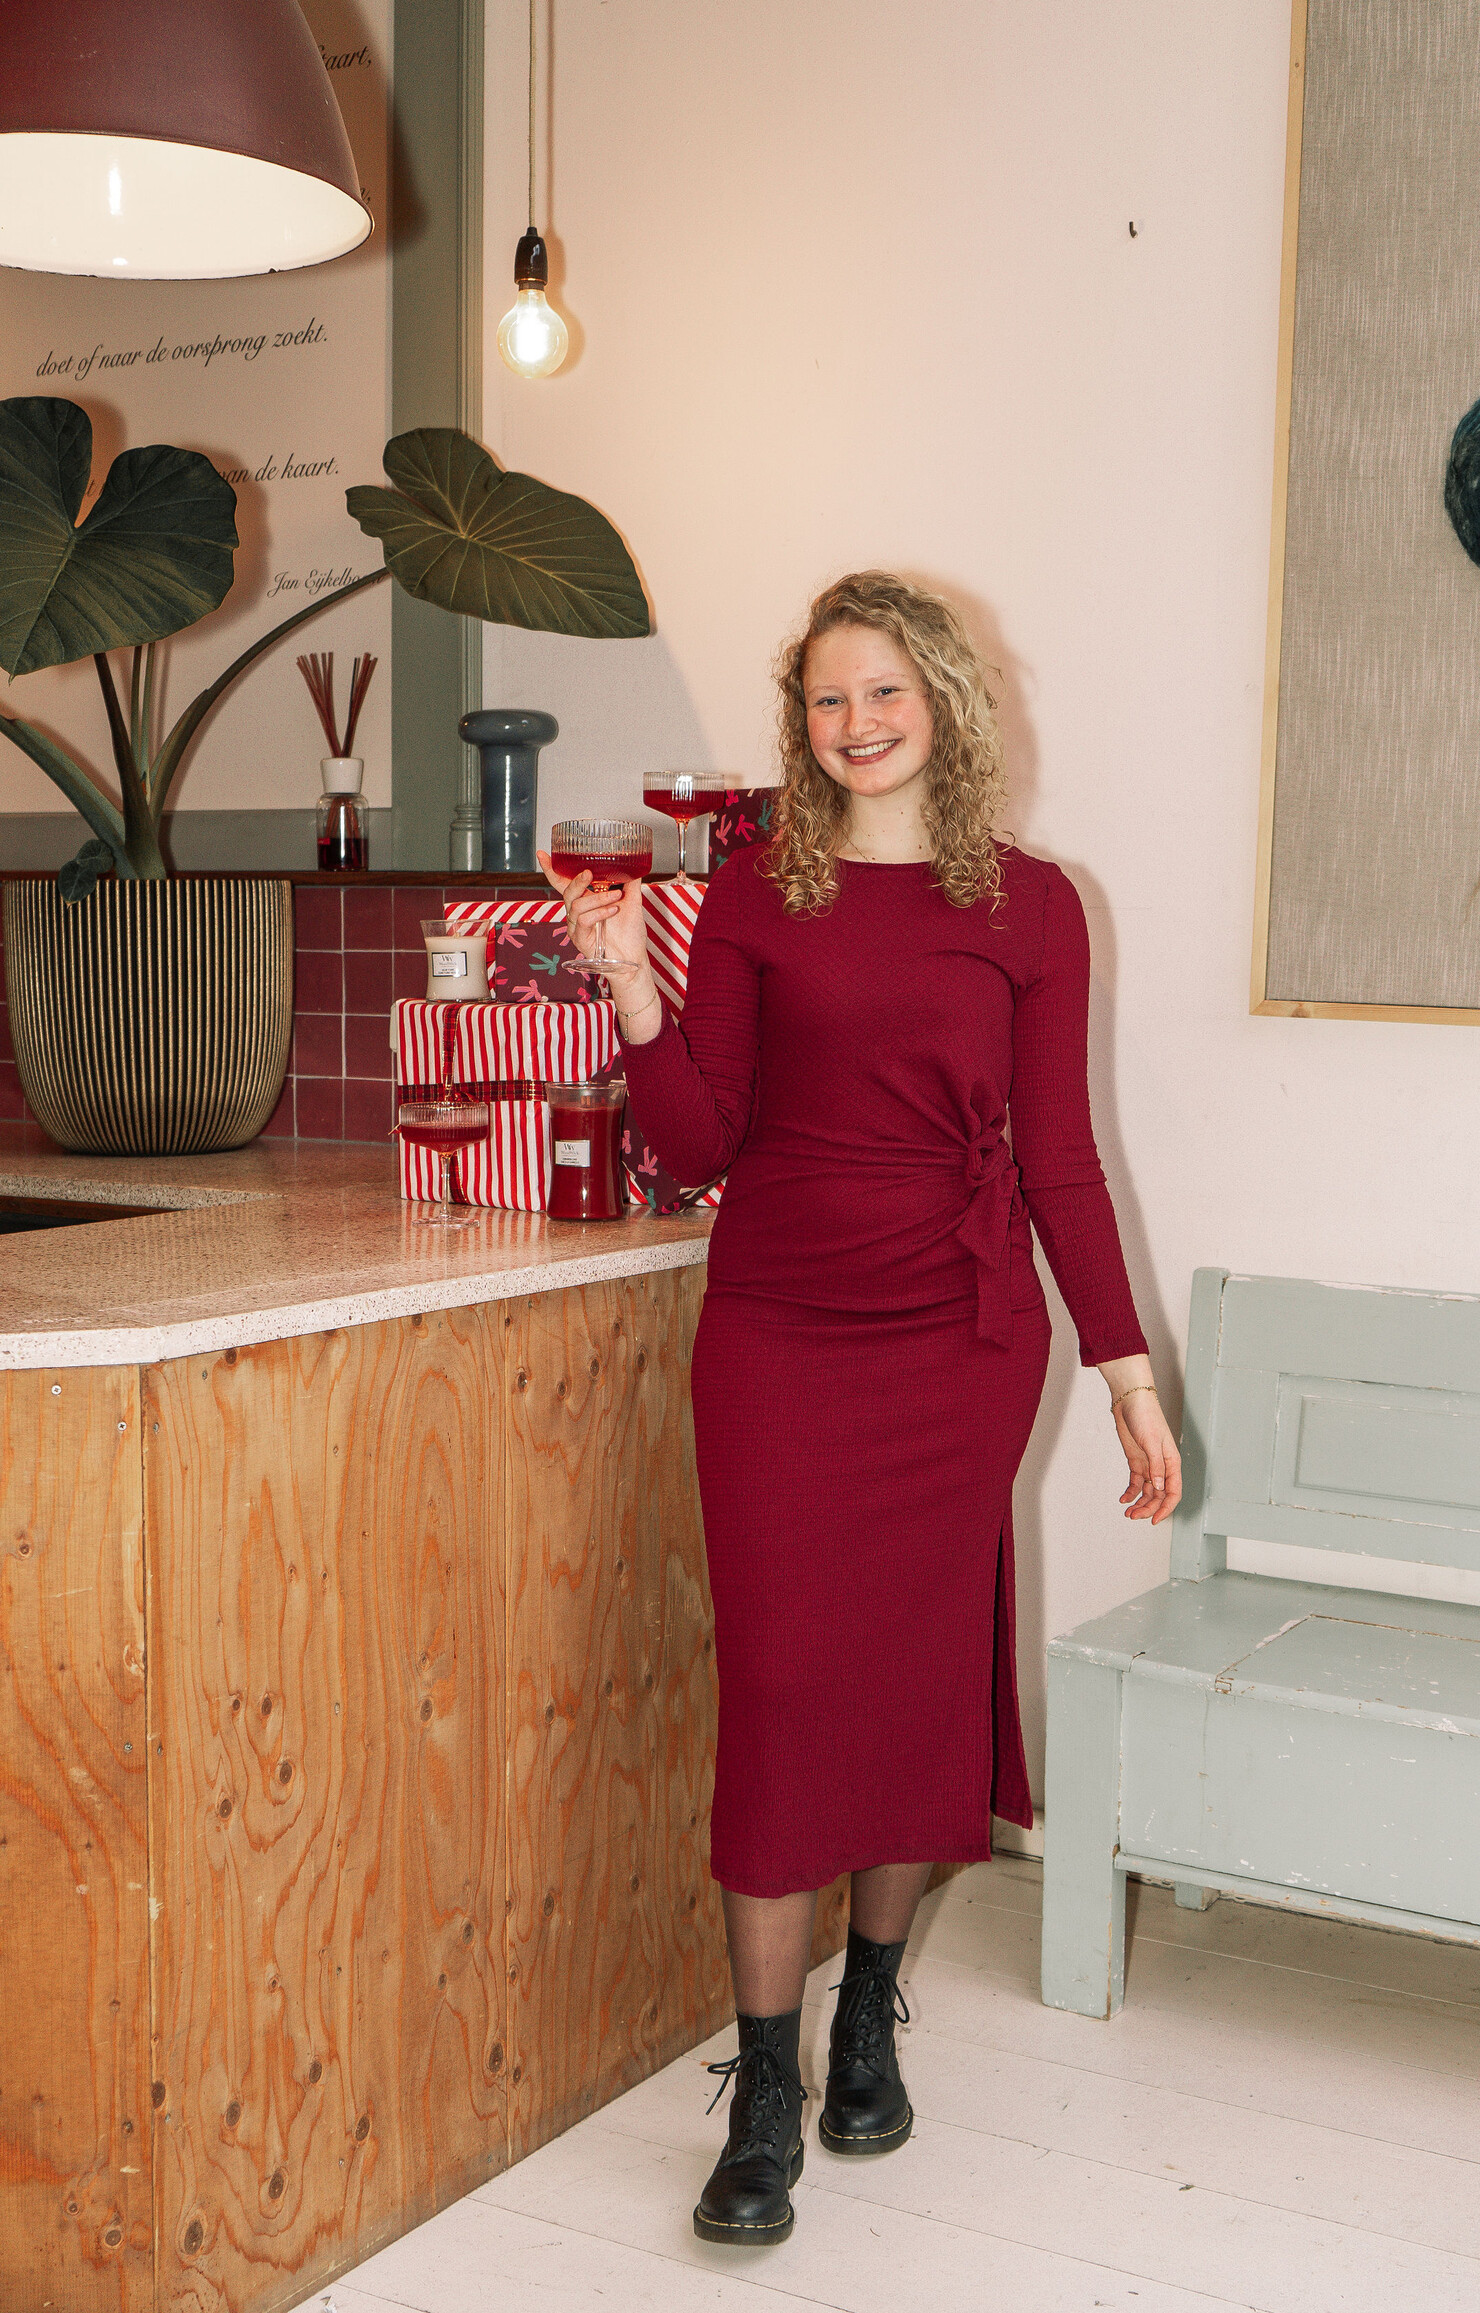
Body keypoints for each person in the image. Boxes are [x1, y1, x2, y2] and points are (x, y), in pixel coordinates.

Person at [538, 570, 1180, 2248]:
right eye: (828, 699)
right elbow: (695, 1141)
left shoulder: (1035, 906)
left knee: (910, 1683)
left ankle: (867, 2010)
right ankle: (762, 2078)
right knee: (781, 1686)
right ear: (802, 722)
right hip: (778, 1334)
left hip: (958, 1348)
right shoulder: (753, 894)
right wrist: (629, 983)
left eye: (883, 692)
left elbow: (1058, 1158)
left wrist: (1126, 1369)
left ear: (945, 703)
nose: (856, 723)